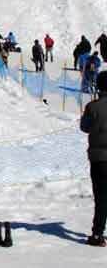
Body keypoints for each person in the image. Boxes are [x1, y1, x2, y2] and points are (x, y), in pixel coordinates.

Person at [80, 71, 107, 246]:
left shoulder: (92, 106)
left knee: (101, 196)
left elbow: (84, 127)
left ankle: (97, 234)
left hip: (98, 158)